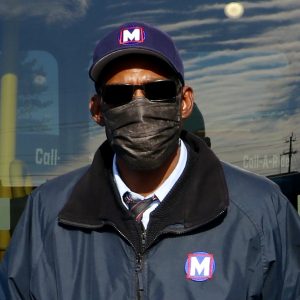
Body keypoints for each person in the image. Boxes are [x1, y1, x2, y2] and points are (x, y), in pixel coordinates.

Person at [0, 21, 300, 300]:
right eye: (120, 95)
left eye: (158, 91)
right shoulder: (48, 212)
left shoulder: (260, 209)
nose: (140, 107)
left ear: (183, 102)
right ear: (97, 110)